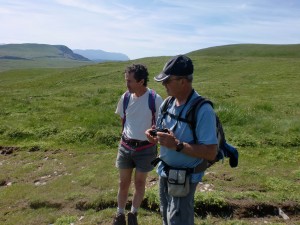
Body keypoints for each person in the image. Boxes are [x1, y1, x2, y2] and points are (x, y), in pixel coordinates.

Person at [145, 55, 218, 225]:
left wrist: (176, 145)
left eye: (167, 80)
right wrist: (154, 134)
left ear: (183, 81)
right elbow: (162, 129)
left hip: (184, 178)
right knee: (167, 217)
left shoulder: (203, 110)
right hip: (164, 172)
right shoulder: (168, 103)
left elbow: (211, 152)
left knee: (178, 221)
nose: (163, 84)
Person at [113, 64, 163, 225]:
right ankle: (119, 214)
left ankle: (133, 214)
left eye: (130, 81)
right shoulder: (125, 97)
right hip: (126, 146)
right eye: (126, 80)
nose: (126, 84)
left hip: (146, 149)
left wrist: (154, 134)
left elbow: (161, 124)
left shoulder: (155, 99)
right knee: (123, 182)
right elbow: (124, 118)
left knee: (140, 182)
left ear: (141, 81)